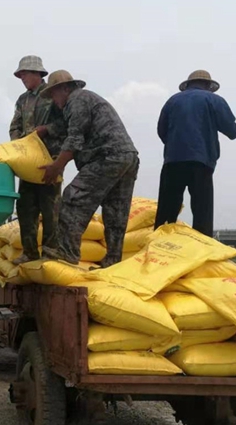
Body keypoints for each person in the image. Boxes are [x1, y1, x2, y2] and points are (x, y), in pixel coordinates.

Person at [36, 70, 139, 268]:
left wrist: (56, 167)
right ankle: (112, 261)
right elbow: (67, 126)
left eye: (53, 95)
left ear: (64, 89)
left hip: (106, 157)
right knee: (116, 212)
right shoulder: (85, 100)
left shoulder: (76, 99)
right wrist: (46, 129)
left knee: (73, 198)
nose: (54, 101)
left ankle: (67, 253)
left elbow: (74, 139)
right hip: (127, 156)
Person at [154, 70, 236, 237]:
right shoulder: (214, 100)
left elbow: (161, 130)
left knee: (166, 210)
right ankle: (202, 243)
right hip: (202, 162)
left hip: (173, 161)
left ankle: (158, 242)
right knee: (202, 212)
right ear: (208, 85)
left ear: (188, 85)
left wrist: (176, 145)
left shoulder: (172, 101)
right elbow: (233, 131)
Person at [8, 55, 62, 265]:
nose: (22, 79)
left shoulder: (52, 94)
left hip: (49, 158)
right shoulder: (22, 100)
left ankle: (50, 251)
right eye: (20, 75)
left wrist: (45, 130)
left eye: (25, 75)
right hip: (27, 161)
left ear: (37, 74)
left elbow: (64, 123)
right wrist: (18, 143)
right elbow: (15, 126)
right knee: (25, 206)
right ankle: (29, 252)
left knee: (50, 207)